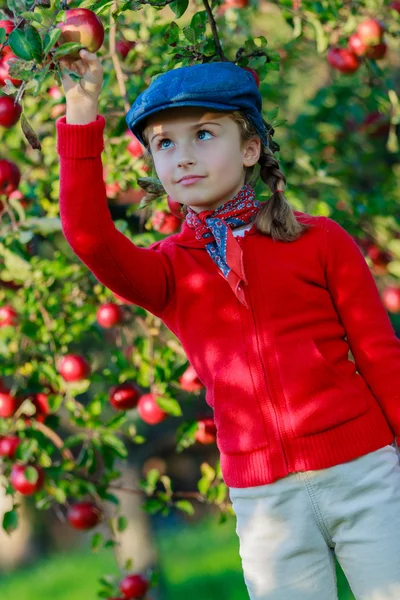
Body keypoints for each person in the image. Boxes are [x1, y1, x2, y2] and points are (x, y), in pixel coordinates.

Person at [56, 50, 400, 600]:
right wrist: (79, 111)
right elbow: (90, 236)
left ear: (250, 148)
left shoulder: (321, 242)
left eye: (205, 135)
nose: (184, 157)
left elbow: (382, 356)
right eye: (165, 143)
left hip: (363, 473)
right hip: (265, 502)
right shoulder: (170, 271)